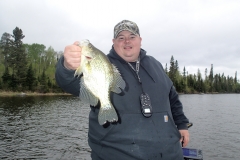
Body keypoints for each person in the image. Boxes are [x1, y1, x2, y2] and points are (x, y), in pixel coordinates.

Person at [55, 20, 190, 160]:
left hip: (171, 154)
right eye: (121, 38)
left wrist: (182, 125)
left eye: (132, 36)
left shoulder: (155, 64)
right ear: (113, 42)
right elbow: (69, 83)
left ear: (140, 40)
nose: (127, 41)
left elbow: (172, 97)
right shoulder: (100, 63)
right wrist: (67, 66)